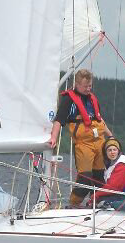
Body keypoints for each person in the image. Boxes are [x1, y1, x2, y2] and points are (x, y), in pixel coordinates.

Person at [48, 69, 112, 206]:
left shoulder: (92, 98)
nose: (88, 89)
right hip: (83, 144)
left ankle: (97, 202)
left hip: (99, 141)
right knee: (85, 178)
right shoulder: (69, 100)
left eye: (90, 86)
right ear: (77, 84)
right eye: (85, 86)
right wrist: (54, 137)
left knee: (99, 176)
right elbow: (59, 120)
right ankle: (74, 203)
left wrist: (111, 137)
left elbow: (100, 120)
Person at [88, 138, 125, 205]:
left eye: (114, 150)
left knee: (102, 201)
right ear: (106, 153)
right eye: (109, 150)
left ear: (118, 151)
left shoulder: (122, 165)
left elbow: (112, 187)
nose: (112, 152)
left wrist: (95, 196)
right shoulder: (112, 164)